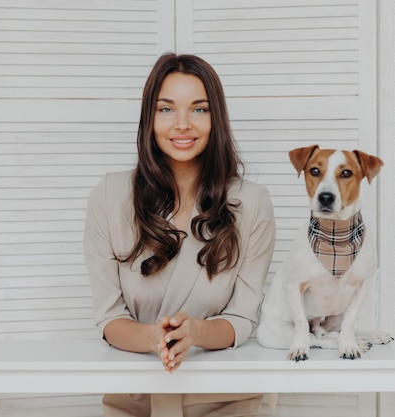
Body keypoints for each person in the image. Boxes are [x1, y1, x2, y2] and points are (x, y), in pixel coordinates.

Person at [83, 53, 276, 417]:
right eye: (167, 109)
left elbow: (242, 320)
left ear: (215, 118)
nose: (183, 124)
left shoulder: (251, 204)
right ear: (149, 118)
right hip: (134, 399)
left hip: (225, 400)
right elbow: (109, 318)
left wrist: (197, 333)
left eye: (199, 109)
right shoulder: (109, 196)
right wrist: (156, 338)